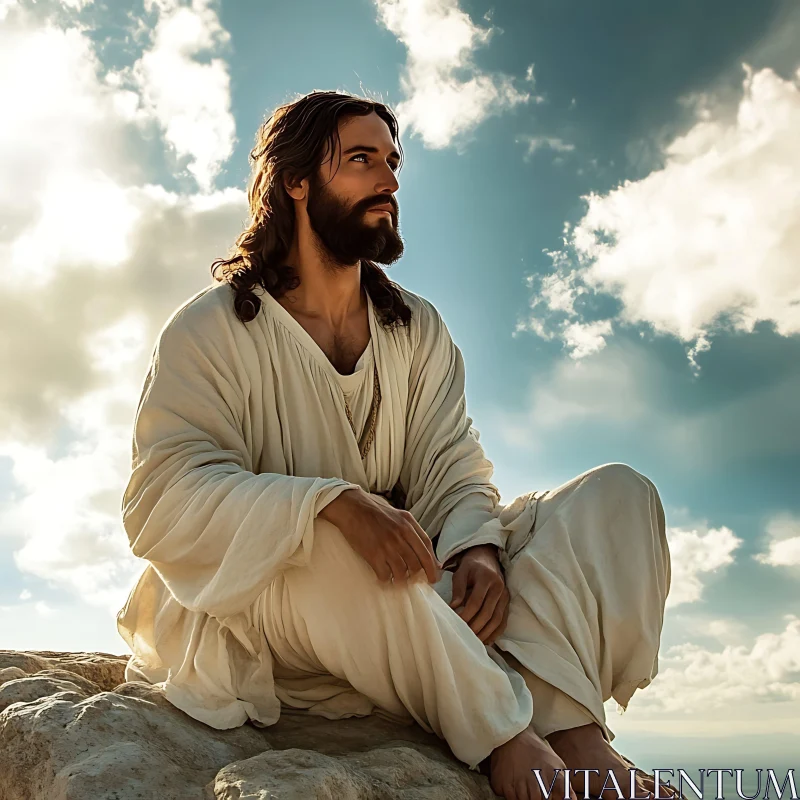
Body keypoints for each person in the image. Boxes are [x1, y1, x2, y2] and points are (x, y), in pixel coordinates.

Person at [117, 90, 678, 800]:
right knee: (331, 545)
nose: (387, 180)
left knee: (618, 495)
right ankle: (505, 738)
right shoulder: (214, 327)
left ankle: (575, 733)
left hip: (414, 596)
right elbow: (161, 495)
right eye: (360, 160)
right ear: (295, 181)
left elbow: (451, 461)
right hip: (278, 610)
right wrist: (331, 505)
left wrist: (476, 548)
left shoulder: (415, 328)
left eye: (392, 162)